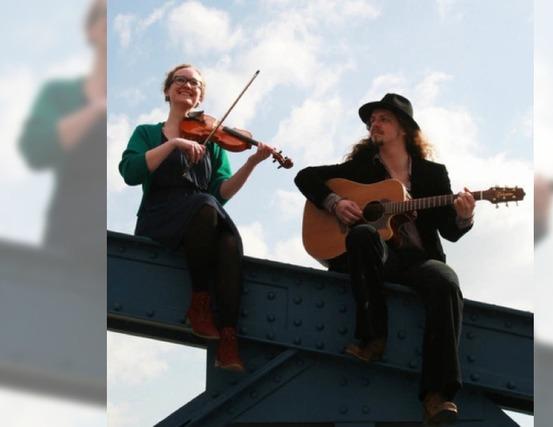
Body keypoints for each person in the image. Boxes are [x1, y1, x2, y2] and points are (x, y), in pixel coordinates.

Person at [294, 93, 475, 424]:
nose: (373, 125)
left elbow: (450, 230)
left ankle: (438, 395)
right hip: (376, 257)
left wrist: (464, 216)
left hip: (417, 261)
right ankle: (372, 338)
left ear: (403, 128)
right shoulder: (362, 169)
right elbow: (305, 176)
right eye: (371, 121)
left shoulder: (432, 174)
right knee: (363, 234)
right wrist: (335, 203)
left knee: (446, 281)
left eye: (383, 119)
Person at [119, 64, 272, 372]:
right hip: (160, 214)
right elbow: (130, 172)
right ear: (167, 90)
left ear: (200, 97)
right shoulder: (147, 133)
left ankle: (228, 339)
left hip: (202, 217)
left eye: (195, 83)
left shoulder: (212, 141)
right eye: (181, 80)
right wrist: (174, 144)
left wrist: (253, 162)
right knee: (206, 205)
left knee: (229, 241)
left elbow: (222, 191)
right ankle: (200, 300)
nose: (187, 85)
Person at [19, 0, 106, 260]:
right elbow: (36, 151)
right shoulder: (59, 93)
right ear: (90, 30)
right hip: (71, 225)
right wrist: (95, 109)